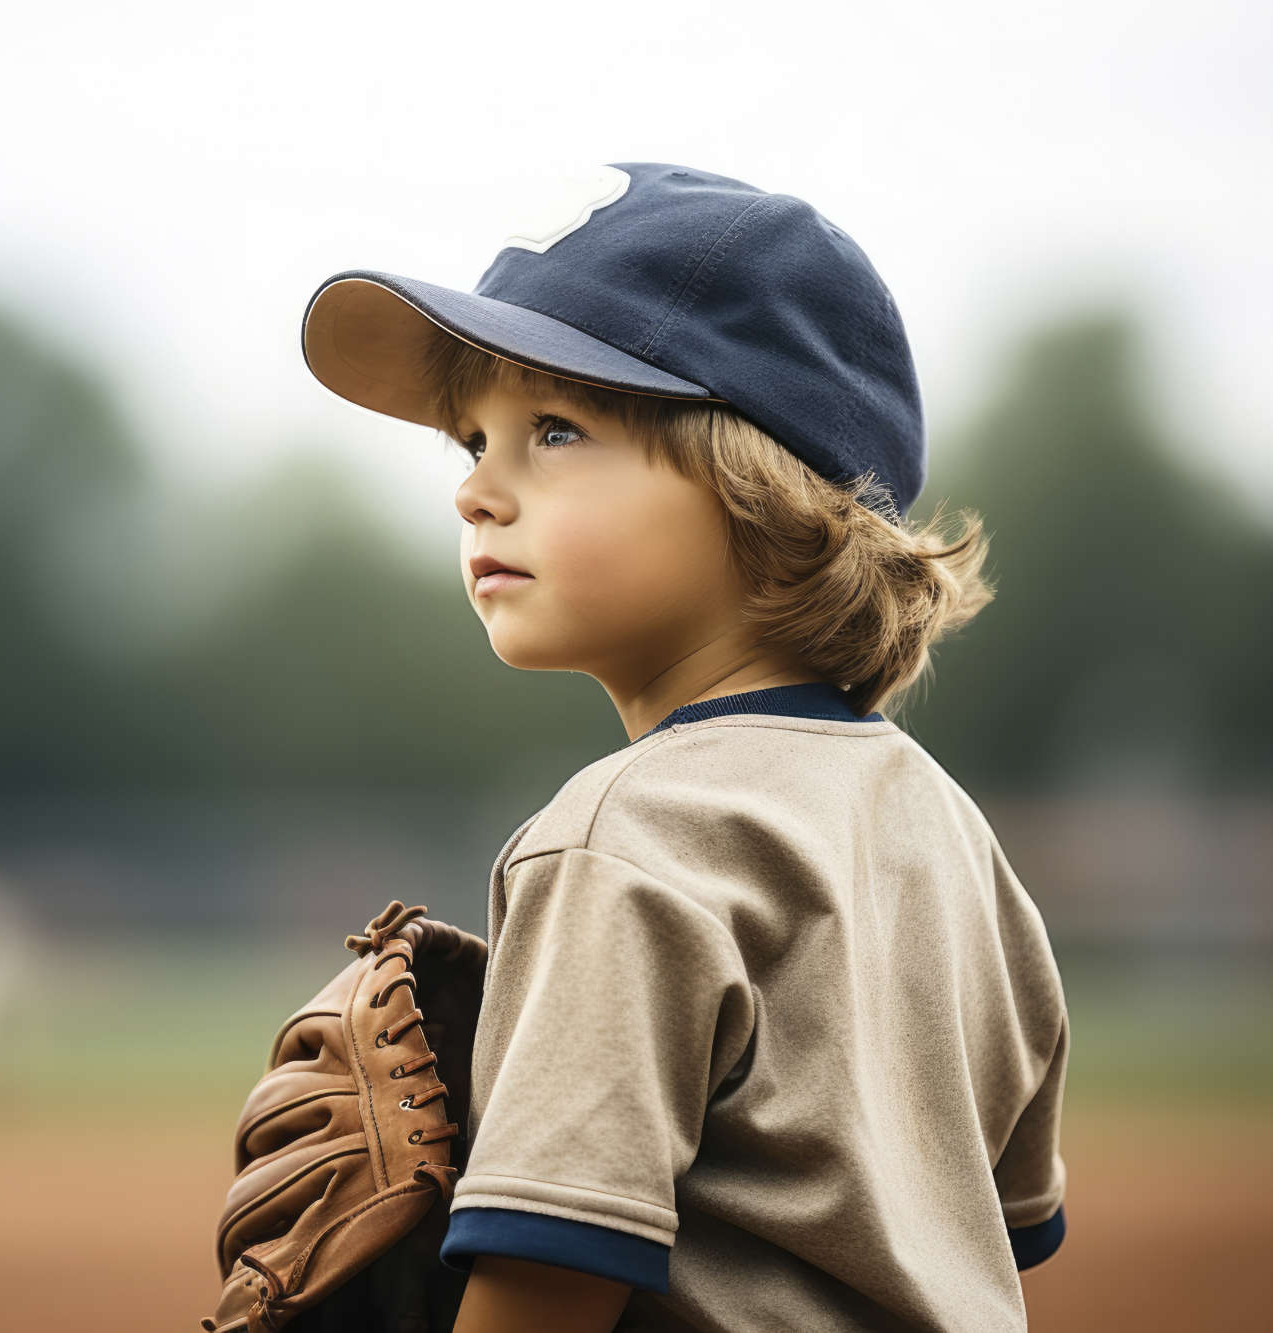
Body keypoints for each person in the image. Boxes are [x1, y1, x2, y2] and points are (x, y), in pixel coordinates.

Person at [298, 162, 1069, 1332]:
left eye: (554, 429)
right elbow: (998, 1231)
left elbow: (545, 1291)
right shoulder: (949, 830)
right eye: (471, 441)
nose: (476, 493)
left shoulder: (618, 842)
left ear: (762, 488)